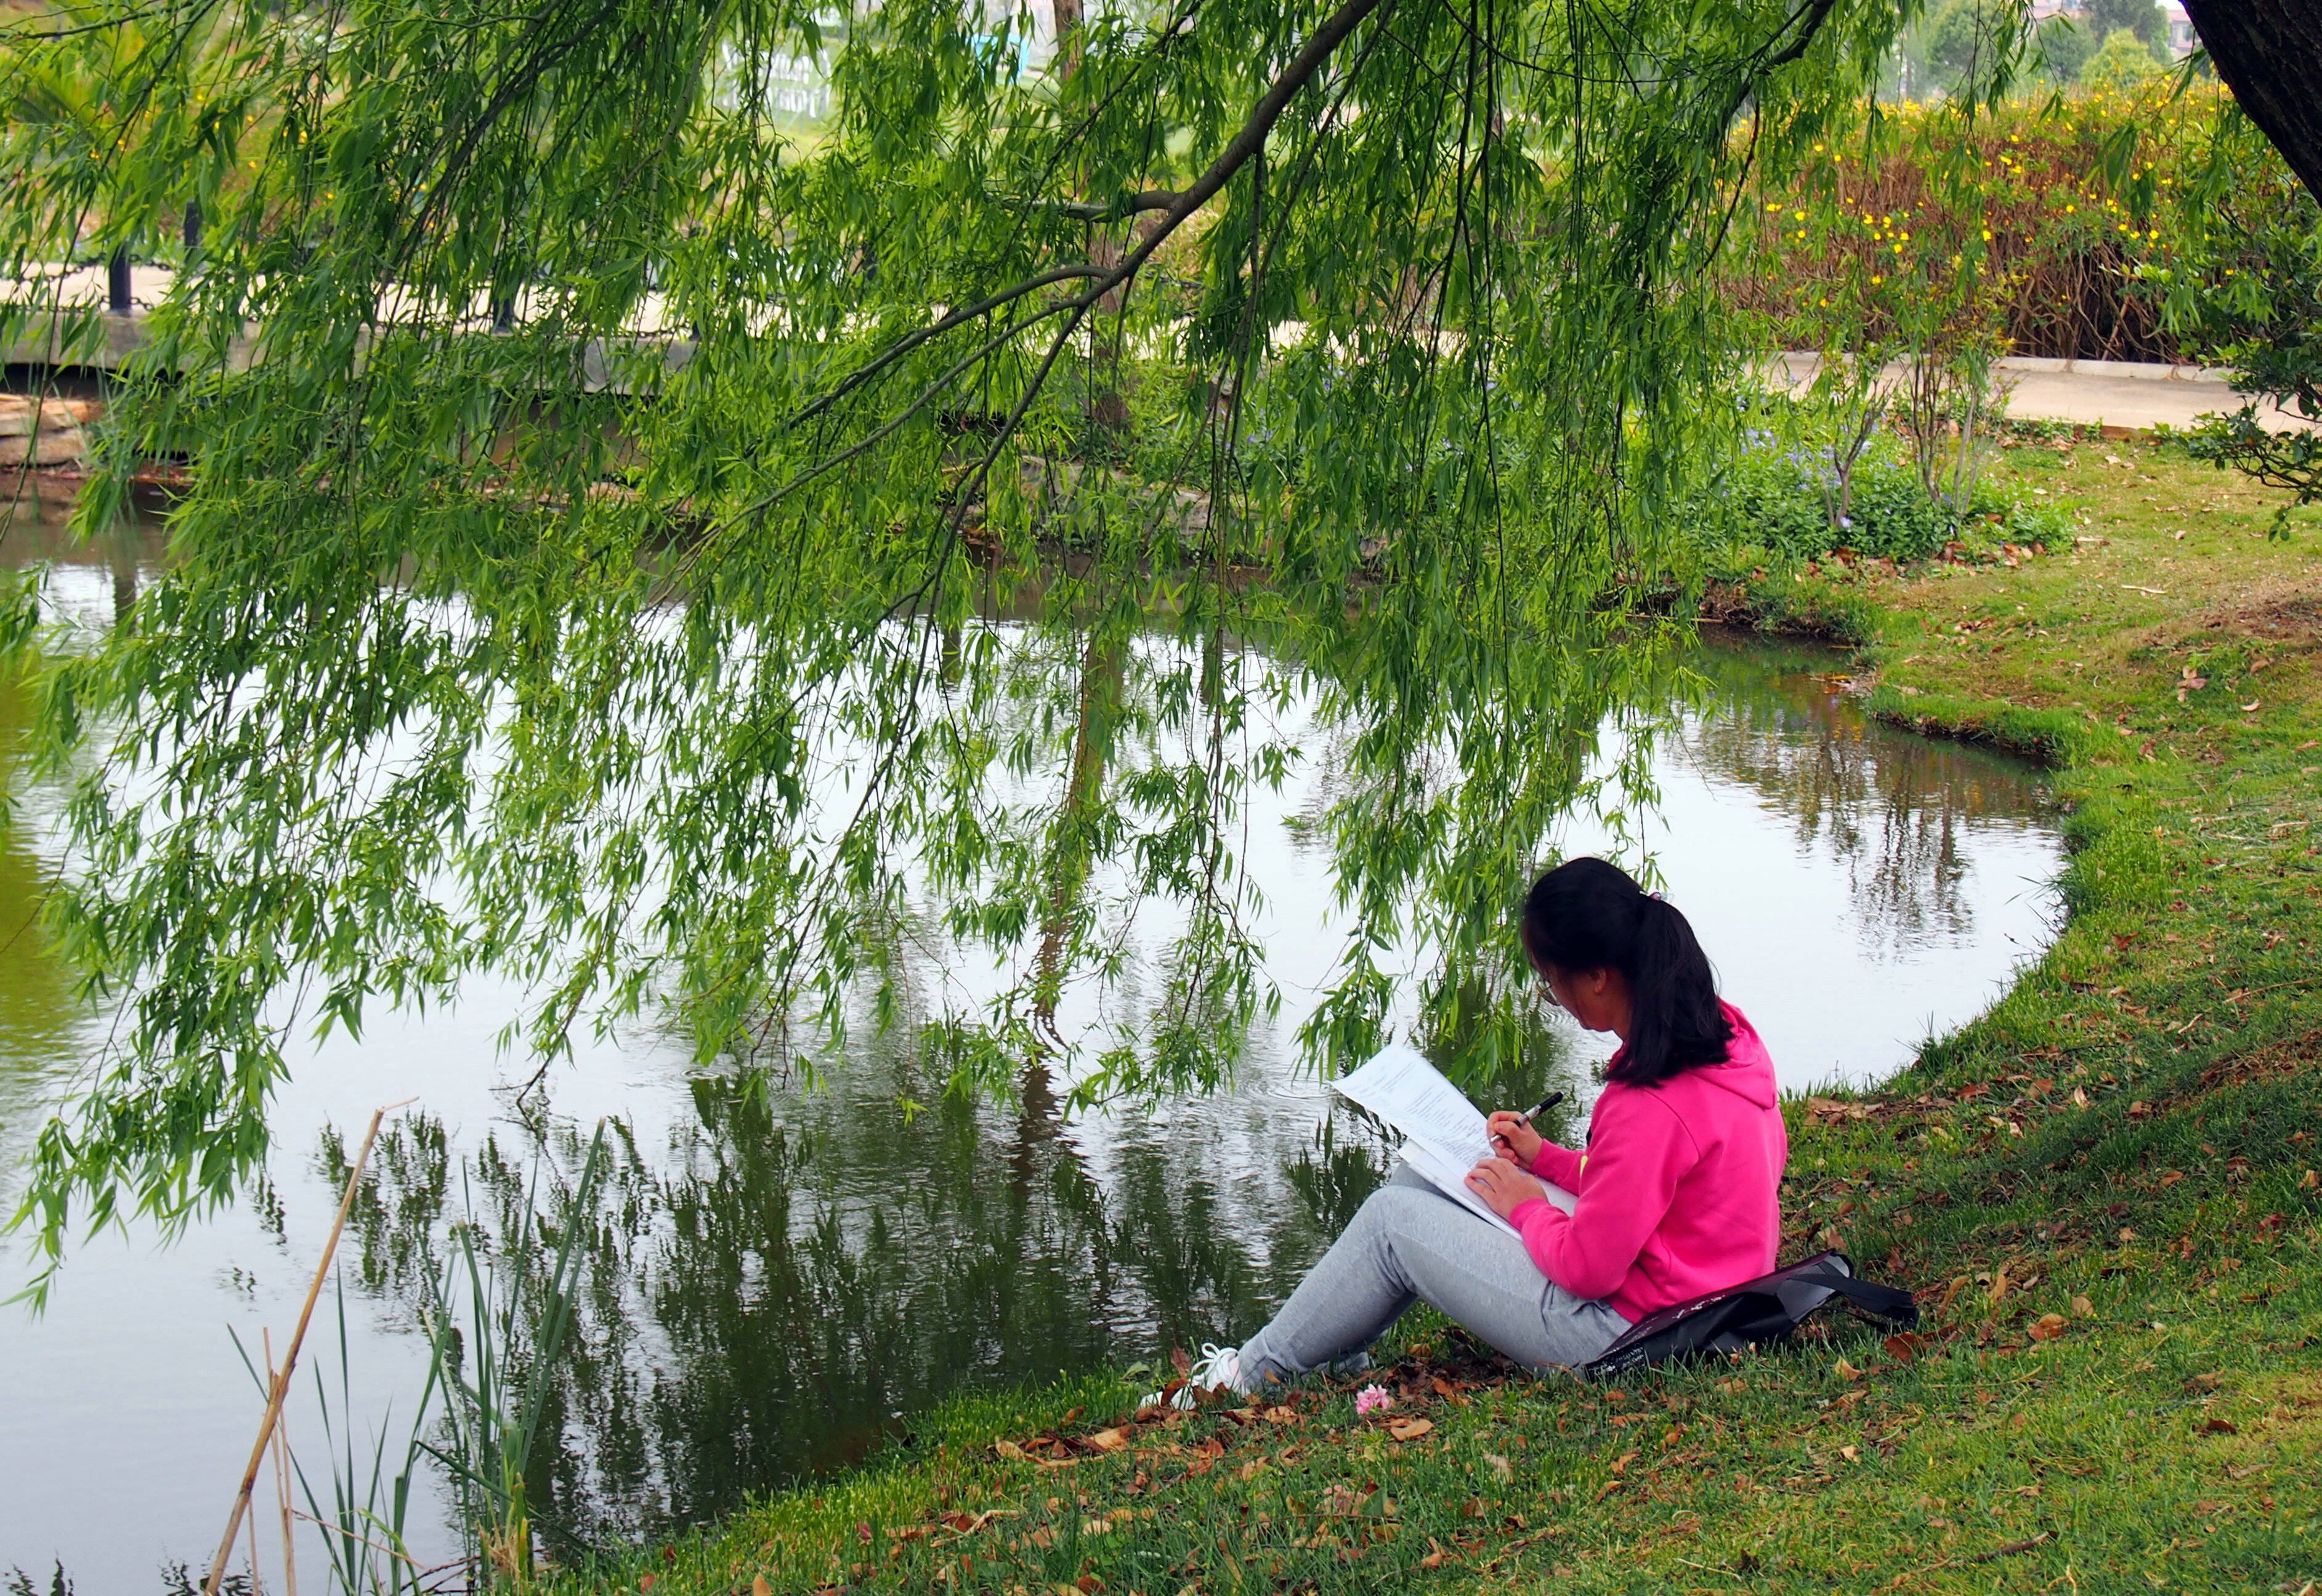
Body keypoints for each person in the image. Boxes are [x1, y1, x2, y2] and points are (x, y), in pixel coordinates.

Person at [1160, 856, 1787, 1400]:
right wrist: (1541, 1159)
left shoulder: (1648, 1100)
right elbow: (1648, 1183)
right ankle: (1332, 1348)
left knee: (1389, 1223)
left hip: (1636, 1338)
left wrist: (1528, 1208)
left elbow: (1590, 1270)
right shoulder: (1724, 1040)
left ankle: (1247, 1377)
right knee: (1422, 1180)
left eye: (1551, 983)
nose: (1555, 999)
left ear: (1597, 975)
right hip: (1707, 1300)